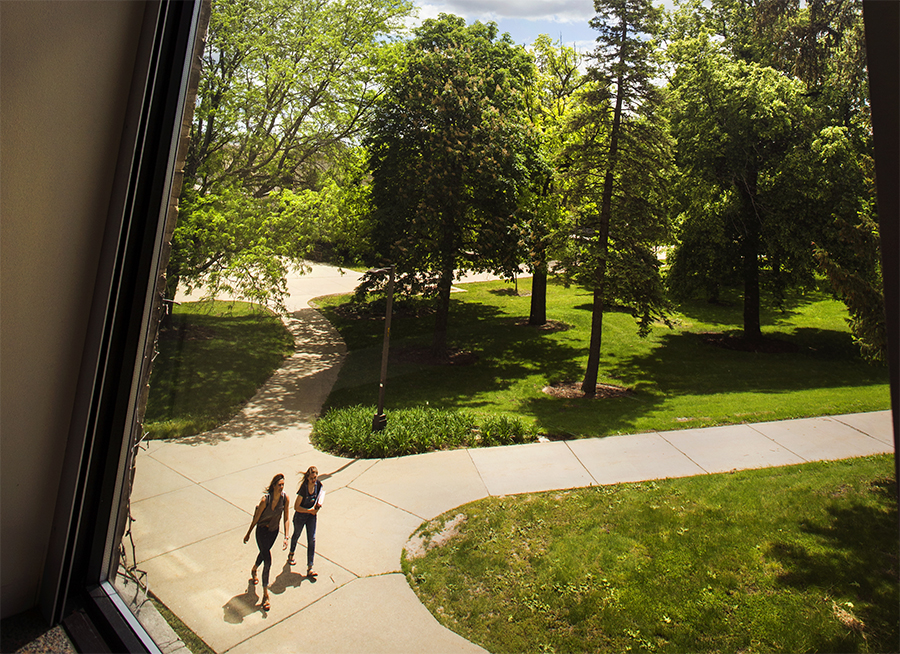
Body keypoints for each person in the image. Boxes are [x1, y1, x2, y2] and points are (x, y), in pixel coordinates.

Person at [243, 473, 289, 611]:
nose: (281, 487)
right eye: (279, 485)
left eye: (283, 485)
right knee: (268, 559)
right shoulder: (265, 500)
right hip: (261, 531)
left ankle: (254, 569)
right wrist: (248, 533)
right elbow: (256, 519)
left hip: (273, 532)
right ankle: (265, 595)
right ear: (273, 486)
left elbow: (286, 518)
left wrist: (286, 537)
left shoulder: (285, 499)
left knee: (264, 553)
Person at [288, 466, 325, 578]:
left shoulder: (318, 485)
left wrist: (317, 508)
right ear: (307, 478)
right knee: (297, 535)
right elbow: (296, 507)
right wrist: (309, 510)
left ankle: (310, 567)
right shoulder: (303, 489)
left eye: (315, 477)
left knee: (312, 539)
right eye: (312, 478)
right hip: (300, 516)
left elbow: (320, 498)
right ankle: (291, 553)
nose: (314, 480)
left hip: (311, 517)